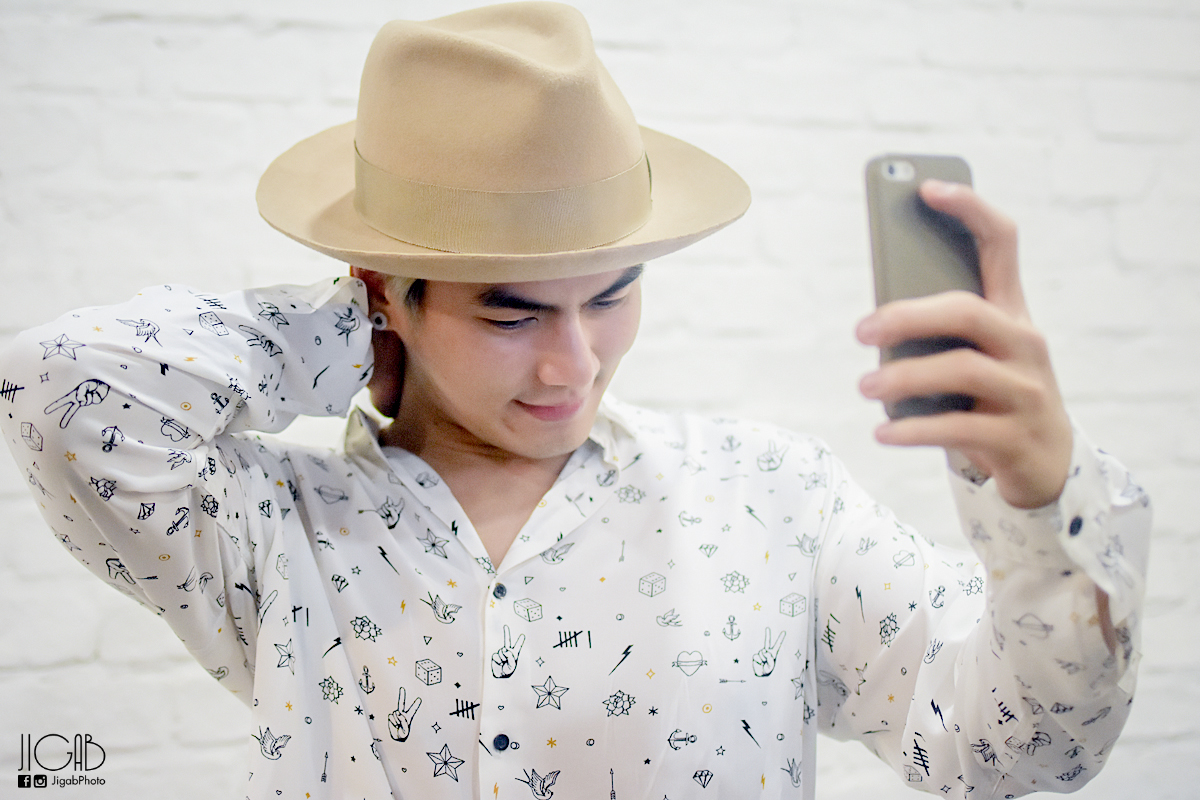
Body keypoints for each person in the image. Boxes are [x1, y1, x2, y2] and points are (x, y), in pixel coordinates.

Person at [0, 3, 1149, 799]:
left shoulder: (768, 500)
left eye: (610, 294)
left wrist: (1043, 506)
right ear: (384, 293)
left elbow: (1019, 750)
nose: (575, 364)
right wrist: (349, 333)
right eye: (510, 313)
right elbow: (59, 385)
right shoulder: (274, 531)